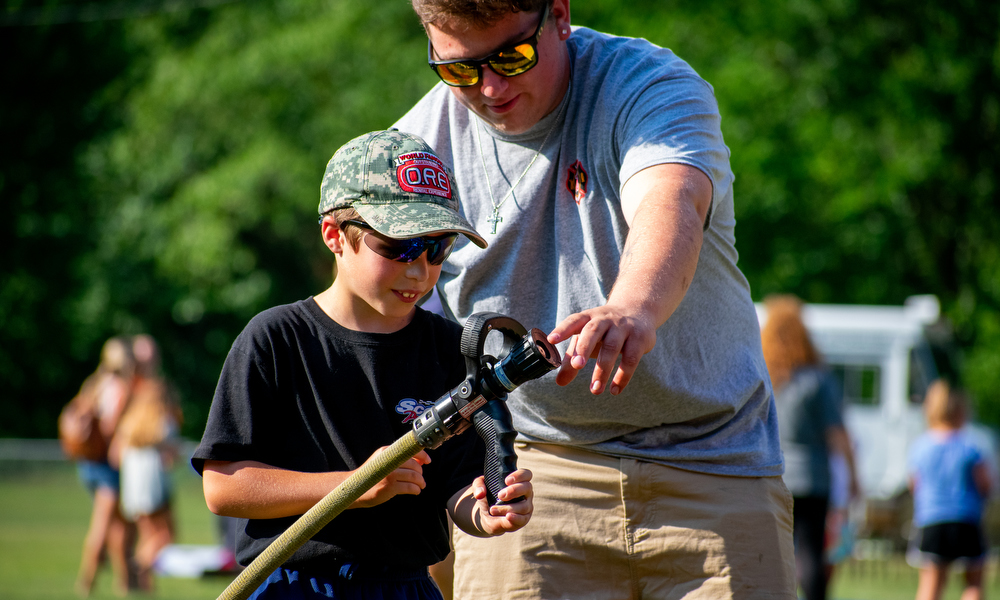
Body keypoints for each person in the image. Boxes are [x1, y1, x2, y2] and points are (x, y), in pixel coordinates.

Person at [394, 1, 796, 598]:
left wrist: (632, 307)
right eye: (458, 70)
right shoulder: (419, 152)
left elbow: (672, 202)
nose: (489, 87)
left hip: (712, 465)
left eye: (512, 56)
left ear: (559, 13)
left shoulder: (647, 85)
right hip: (532, 472)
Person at [191, 129, 534, 599]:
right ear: (334, 234)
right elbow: (224, 488)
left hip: (406, 587)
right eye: (399, 247)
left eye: (439, 248)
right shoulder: (275, 339)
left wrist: (486, 512)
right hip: (293, 587)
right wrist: (353, 486)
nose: (420, 271)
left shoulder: (448, 349)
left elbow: (459, 487)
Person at [760, 295, 859, 600]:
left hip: (773, 474)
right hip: (814, 477)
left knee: (774, 553)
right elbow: (837, 433)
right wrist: (854, 476)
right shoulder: (818, 379)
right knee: (813, 551)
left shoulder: (764, 377)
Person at [108, 334, 183, 591]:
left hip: (147, 462)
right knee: (162, 533)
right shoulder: (134, 388)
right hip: (145, 462)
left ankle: (143, 583)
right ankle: (136, 568)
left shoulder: (157, 387)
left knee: (154, 531)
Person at [907, 380, 991, 600]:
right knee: (974, 580)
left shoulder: (921, 446)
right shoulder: (970, 446)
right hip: (966, 519)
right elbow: (984, 484)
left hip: (932, 520)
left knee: (931, 582)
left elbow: (914, 484)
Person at [72, 336, 136, 597]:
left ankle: (125, 584)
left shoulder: (94, 383)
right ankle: (86, 582)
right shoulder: (118, 386)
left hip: (88, 462)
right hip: (108, 465)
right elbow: (111, 426)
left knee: (117, 527)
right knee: (103, 527)